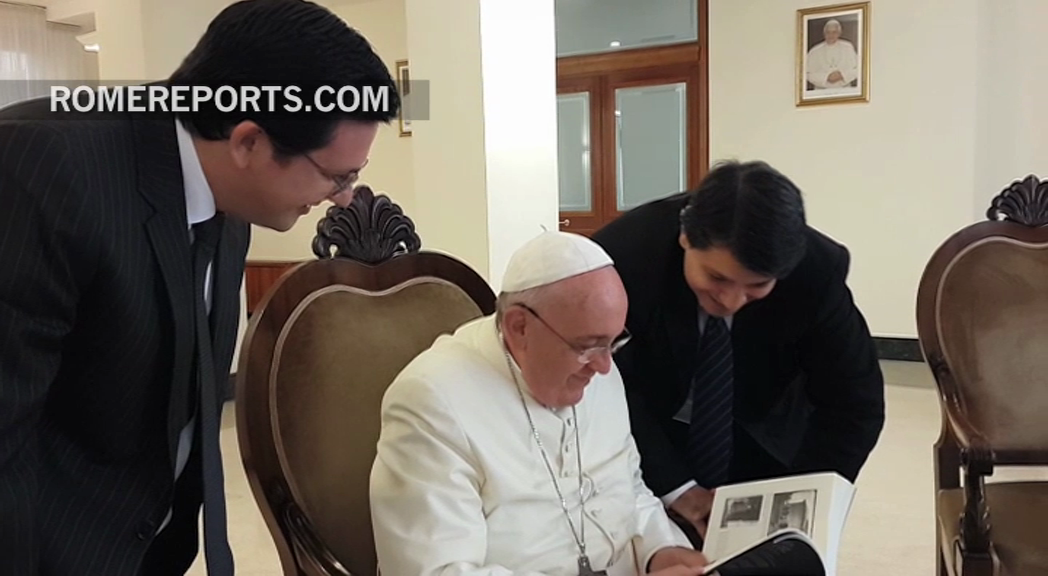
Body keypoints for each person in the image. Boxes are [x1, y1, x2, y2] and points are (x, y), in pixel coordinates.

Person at [0, 1, 398, 574]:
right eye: (339, 176)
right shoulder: (41, 168)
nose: (344, 197)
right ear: (248, 142)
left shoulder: (232, 195)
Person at [369, 231, 710, 576]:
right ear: (519, 327)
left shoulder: (598, 367)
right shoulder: (432, 399)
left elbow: (629, 488)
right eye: (586, 346)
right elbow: (438, 570)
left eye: (613, 342)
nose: (605, 367)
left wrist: (660, 551)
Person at [590, 160, 885, 544]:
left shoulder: (815, 270)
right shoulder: (624, 258)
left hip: (766, 430)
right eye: (716, 277)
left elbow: (855, 403)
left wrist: (804, 502)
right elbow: (610, 389)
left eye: (756, 286)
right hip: (648, 431)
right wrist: (679, 489)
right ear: (686, 237)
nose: (731, 301)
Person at [805, 18, 859, 89]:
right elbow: (807, 74)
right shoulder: (814, 51)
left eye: (834, 32)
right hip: (821, 90)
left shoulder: (848, 47)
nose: (831, 35)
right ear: (824, 33)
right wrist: (826, 77)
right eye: (828, 32)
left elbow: (858, 69)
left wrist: (842, 75)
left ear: (839, 33)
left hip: (844, 89)